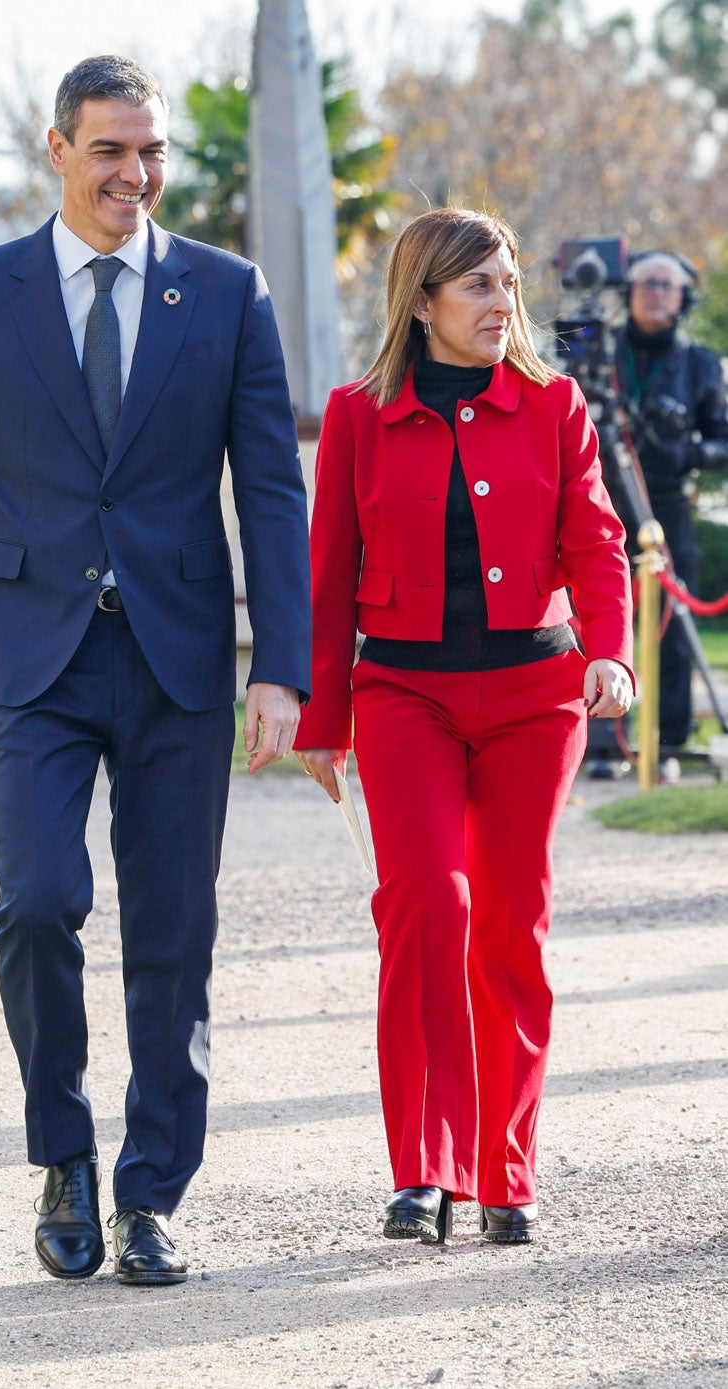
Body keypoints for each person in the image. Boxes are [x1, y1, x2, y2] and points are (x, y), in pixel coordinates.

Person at [0, 55, 310, 1287]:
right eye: (110, 151)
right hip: (33, 658)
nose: (135, 175)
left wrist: (278, 667)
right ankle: (63, 1154)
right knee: (33, 902)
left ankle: (148, 1196)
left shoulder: (226, 292)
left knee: (174, 930)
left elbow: (271, 495)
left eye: (152, 153)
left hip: (182, 657)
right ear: (57, 149)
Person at [294, 208, 633, 1246]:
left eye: (509, 283)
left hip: (535, 699)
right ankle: (421, 1169)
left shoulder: (551, 402)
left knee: (507, 920)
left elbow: (596, 539)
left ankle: (503, 1172)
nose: (502, 303)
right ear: (423, 300)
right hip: (405, 697)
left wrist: (608, 648)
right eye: (479, 285)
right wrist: (323, 715)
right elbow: (329, 571)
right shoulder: (357, 414)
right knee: (423, 907)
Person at [614, 250, 728, 750]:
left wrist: (689, 447)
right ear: (629, 292)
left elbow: (723, 441)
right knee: (586, 620)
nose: (657, 292)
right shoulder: (595, 353)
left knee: (674, 627)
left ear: (683, 297)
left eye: (667, 284)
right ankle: (597, 743)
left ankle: (671, 742)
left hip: (669, 505)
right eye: (647, 283)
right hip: (599, 501)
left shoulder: (701, 363)